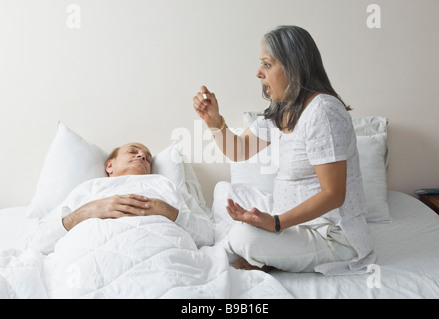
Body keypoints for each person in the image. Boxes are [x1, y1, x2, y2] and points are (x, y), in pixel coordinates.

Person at [193, 25, 376, 275]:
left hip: (331, 236)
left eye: (267, 65)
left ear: (294, 66)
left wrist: (276, 224)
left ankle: (230, 258)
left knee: (245, 237)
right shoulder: (285, 108)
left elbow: (333, 194)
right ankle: (262, 254)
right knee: (228, 195)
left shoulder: (323, 111)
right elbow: (239, 150)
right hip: (290, 221)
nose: (258, 73)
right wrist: (214, 122)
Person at [27, 142, 214, 254]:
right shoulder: (88, 189)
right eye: (133, 151)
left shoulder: (166, 186)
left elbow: (208, 236)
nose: (142, 155)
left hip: (166, 256)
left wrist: (169, 211)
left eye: (148, 157)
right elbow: (36, 243)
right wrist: (85, 212)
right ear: (110, 166)